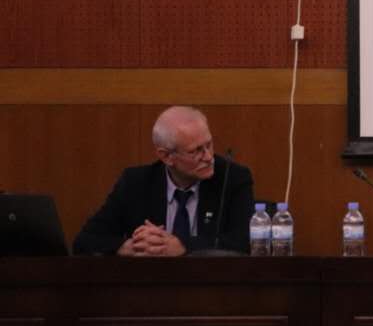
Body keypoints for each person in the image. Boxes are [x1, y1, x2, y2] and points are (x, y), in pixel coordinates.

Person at [73, 106, 254, 256]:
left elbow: (246, 241)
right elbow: (85, 240)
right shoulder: (136, 183)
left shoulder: (232, 177)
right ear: (166, 156)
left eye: (209, 145)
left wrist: (183, 246)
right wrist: (129, 247)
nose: (208, 157)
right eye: (195, 151)